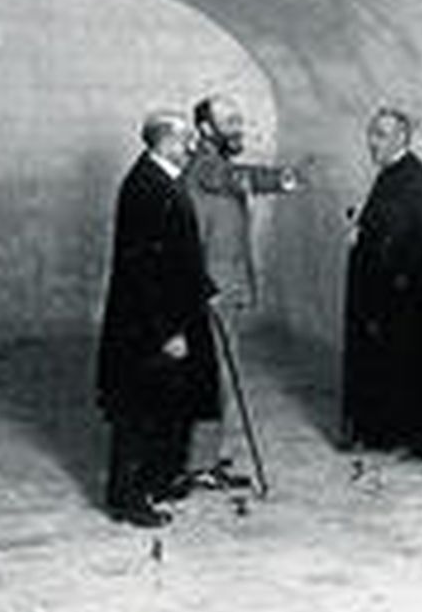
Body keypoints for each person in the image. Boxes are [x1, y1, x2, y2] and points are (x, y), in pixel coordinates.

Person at [95, 110, 219, 527]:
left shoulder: (160, 179)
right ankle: (127, 498)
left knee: (166, 403)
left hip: (169, 314)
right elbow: (145, 269)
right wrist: (168, 330)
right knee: (138, 411)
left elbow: (178, 252)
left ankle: (158, 479)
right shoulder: (146, 186)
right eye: (186, 139)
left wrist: (205, 288)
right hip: (149, 325)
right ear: (165, 141)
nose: (192, 145)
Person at [184, 93, 301, 486]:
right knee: (214, 378)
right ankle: (198, 465)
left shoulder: (214, 166)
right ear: (205, 129)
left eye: (239, 119)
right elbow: (236, 178)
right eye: (229, 121)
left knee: (217, 378)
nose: (238, 127)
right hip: (211, 292)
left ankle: (206, 459)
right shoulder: (206, 167)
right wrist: (282, 179)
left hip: (221, 291)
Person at [341, 108, 422, 454]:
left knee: (400, 362)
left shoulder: (413, 176)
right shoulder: (391, 174)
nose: (372, 142)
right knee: (384, 361)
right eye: (372, 133)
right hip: (384, 290)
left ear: (402, 137)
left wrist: (369, 240)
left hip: (399, 293)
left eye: (381, 135)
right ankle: (381, 432)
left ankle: (399, 436)